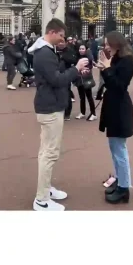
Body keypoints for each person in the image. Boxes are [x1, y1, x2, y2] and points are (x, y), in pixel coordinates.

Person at [30, 19, 89, 211]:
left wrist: (73, 71)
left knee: (45, 151)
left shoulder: (45, 51)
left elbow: (54, 75)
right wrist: (76, 69)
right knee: (50, 153)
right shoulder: (45, 53)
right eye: (62, 35)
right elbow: (56, 80)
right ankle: (41, 199)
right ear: (53, 32)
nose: (63, 39)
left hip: (50, 104)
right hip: (51, 107)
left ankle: (45, 189)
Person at [95, 31, 133, 204]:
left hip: (120, 108)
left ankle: (124, 188)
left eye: (107, 44)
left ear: (117, 44)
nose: (105, 47)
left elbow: (119, 86)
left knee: (120, 150)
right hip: (113, 106)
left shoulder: (127, 62)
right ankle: (120, 180)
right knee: (114, 148)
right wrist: (105, 68)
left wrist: (107, 69)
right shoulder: (116, 59)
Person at [75, 43, 97, 121]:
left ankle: (93, 113)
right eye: (80, 49)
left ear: (86, 50)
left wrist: (85, 69)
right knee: (82, 97)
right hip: (79, 80)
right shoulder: (77, 57)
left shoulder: (88, 57)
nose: (81, 50)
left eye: (83, 49)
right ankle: (82, 112)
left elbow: (90, 65)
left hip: (86, 79)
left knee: (89, 97)